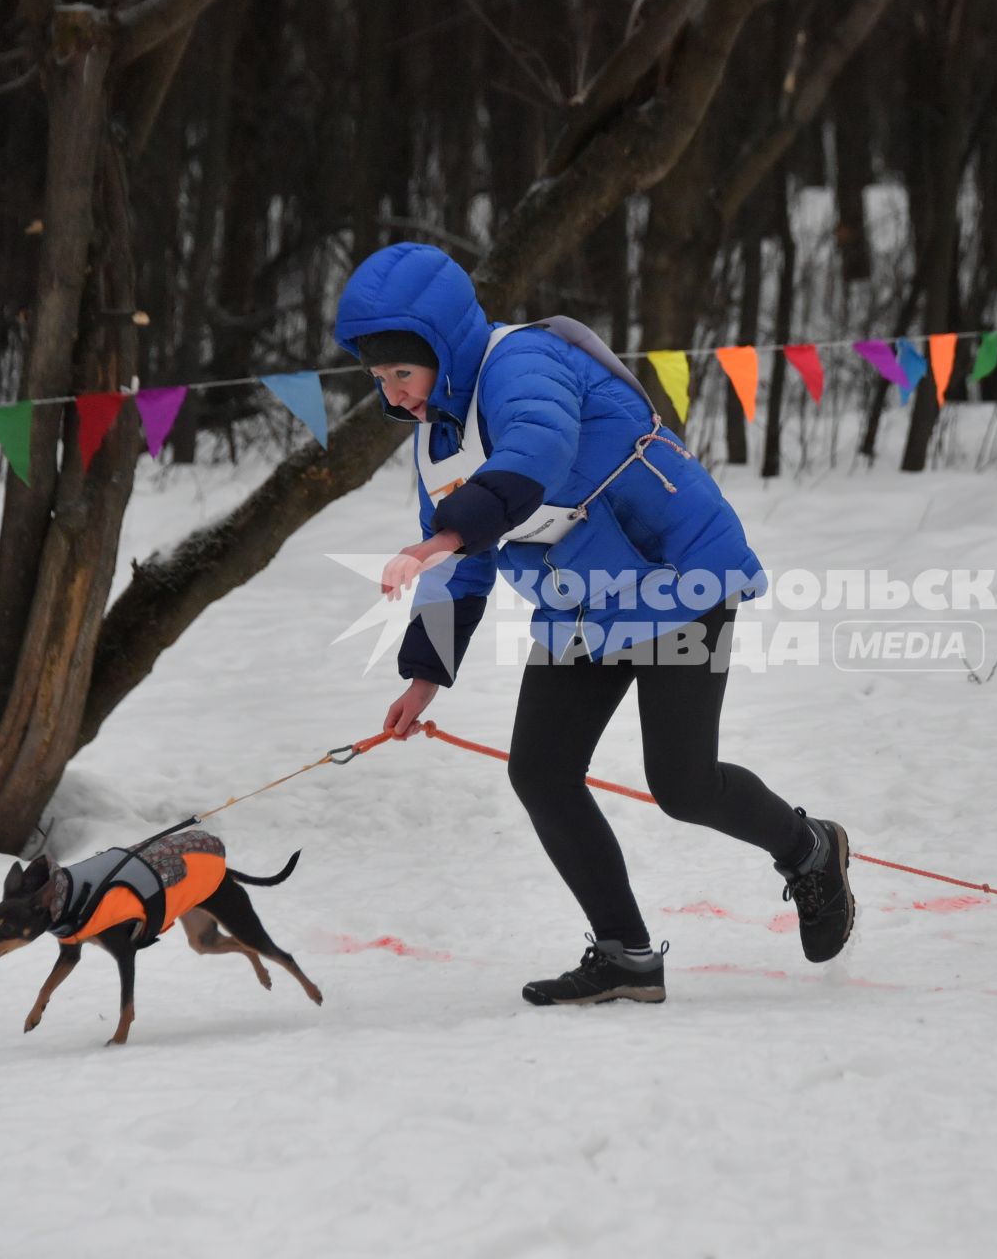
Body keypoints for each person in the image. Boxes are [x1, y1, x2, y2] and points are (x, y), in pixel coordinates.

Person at [334, 242, 853, 1005]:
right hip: (580, 602)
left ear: (441, 350)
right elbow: (460, 566)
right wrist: (423, 677)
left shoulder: (525, 364)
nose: (394, 396)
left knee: (683, 785)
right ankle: (624, 955)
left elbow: (537, 448)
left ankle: (809, 849)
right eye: (379, 380)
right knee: (540, 771)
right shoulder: (437, 437)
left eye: (401, 375)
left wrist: (449, 531)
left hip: (676, 577)